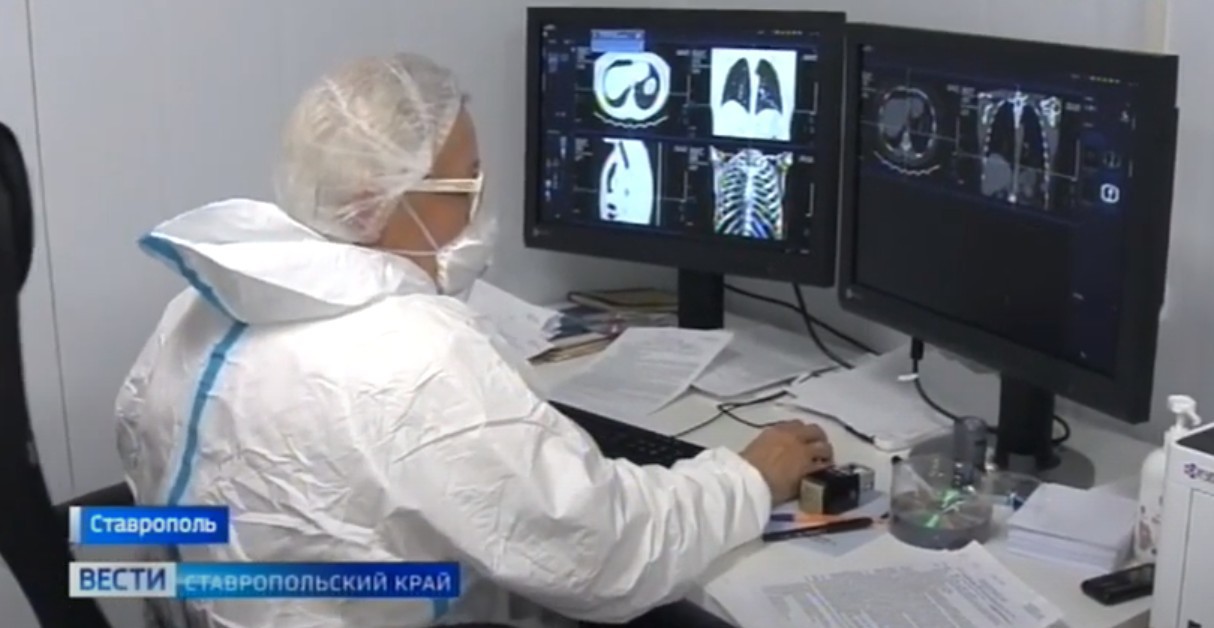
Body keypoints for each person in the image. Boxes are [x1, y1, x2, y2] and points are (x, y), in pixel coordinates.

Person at [116, 52, 834, 628]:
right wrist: (747, 479)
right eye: (467, 182)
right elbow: (605, 552)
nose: (480, 198)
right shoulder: (417, 360)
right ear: (383, 200)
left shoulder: (204, 302)